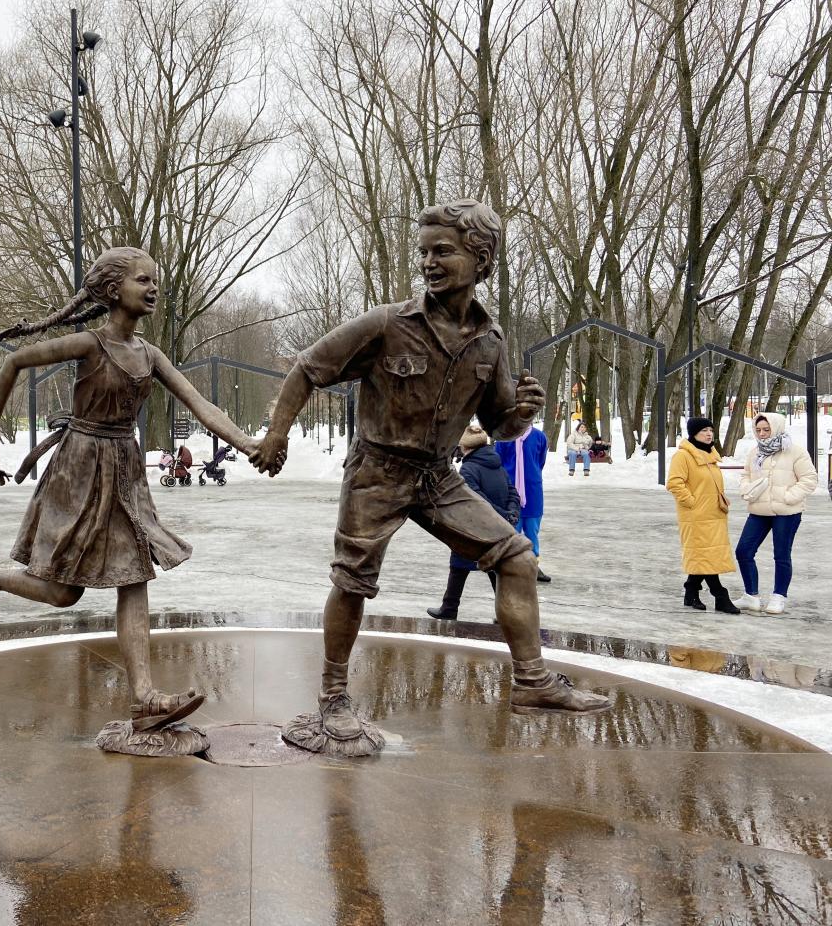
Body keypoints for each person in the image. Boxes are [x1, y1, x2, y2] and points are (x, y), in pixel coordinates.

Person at [253, 199, 611, 751]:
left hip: (439, 477)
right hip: (377, 472)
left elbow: (499, 425)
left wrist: (522, 413)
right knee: (352, 580)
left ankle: (532, 681)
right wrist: (277, 434)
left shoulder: (490, 341)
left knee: (517, 558)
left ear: (481, 259)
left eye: (442, 251)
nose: (428, 262)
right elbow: (307, 367)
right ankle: (333, 697)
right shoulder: (387, 323)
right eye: (423, 252)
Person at [0, 247, 259, 736]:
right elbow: (14, 361)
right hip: (78, 470)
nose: (154, 288)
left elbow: (201, 406)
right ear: (114, 290)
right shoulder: (89, 344)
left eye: (155, 280)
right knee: (62, 592)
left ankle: (145, 698)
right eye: (143, 280)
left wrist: (249, 444)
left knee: (133, 574)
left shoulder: (150, 355)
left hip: (125, 470)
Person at [428, 424, 520, 621]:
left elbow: (477, 500)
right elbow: (512, 491)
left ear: (465, 447)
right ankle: (506, 613)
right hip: (499, 529)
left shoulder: (469, 468)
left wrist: (501, 515)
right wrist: (511, 513)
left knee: (459, 567)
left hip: (474, 528)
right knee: (493, 570)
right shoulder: (497, 465)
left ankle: (449, 608)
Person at [735, 412, 817, 615]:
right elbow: (746, 475)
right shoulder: (755, 452)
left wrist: (788, 496)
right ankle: (751, 596)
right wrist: (746, 489)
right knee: (743, 551)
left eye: (766, 429)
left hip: (787, 513)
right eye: (758, 430)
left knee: (781, 555)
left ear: (777, 428)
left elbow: (809, 479)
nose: (762, 434)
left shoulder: (795, 452)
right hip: (759, 510)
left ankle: (779, 596)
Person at [665, 418, 739, 614]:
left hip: (713, 515)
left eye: (711, 430)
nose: (709, 434)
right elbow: (674, 483)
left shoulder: (709, 455)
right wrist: (692, 502)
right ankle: (720, 595)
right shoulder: (683, 456)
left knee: (705, 555)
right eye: (704, 430)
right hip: (696, 517)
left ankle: (691, 592)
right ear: (694, 433)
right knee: (705, 556)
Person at [494, 422, 551, 582]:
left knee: (532, 531)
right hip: (510, 492)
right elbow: (498, 463)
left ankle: (533, 566)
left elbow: (540, 462)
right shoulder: (504, 438)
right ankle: (510, 566)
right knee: (511, 532)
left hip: (532, 491)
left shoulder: (539, 437)